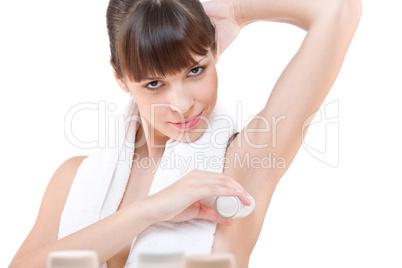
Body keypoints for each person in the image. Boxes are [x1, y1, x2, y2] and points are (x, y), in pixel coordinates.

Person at [8, 0, 362, 267]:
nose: (182, 104)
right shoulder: (73, 179)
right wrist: (149, 211)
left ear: (215, 52)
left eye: (195, 70)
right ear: (120, 79)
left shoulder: (239, 167)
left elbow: (338, 9)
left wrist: (233, 11)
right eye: (154, 83)